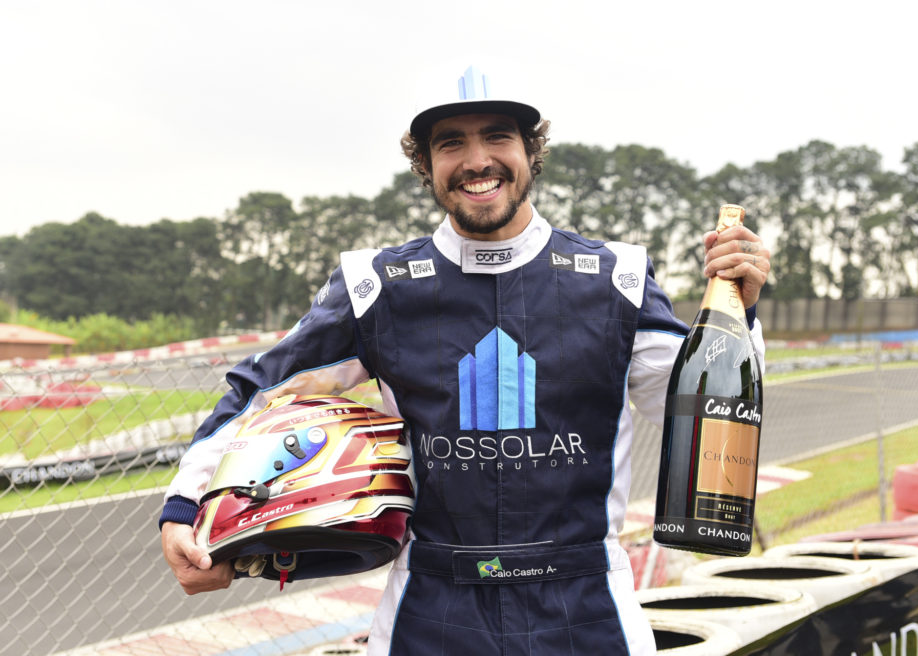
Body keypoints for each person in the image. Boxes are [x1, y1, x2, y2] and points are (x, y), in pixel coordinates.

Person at [159, 66, 771, 655]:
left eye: (497, 137)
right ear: (425, 165)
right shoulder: (376, 286)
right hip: (431, 607)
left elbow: (699, 407)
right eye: (451, 143)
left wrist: (737, 314)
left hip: (588, 608)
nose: (477, 159)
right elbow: (257, 392)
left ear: (532, 152)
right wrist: (186, 510)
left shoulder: (619, 278)